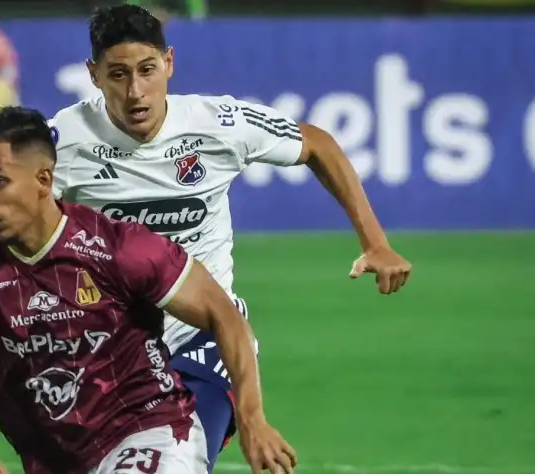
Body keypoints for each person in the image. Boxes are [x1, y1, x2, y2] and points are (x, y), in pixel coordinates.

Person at [45, 4, 413, 471]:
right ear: (94, 74)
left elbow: (317, 143)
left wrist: (374, 241)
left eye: (147, 70)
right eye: (118, 74)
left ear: (169, 63)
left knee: (178, 462)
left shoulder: (217, 124)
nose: (135, 91)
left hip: (206, 335)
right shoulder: (62, 143)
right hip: (109, 347)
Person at [0, 106, 297, 474]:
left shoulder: (117, 248)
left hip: (149, 429)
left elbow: (224, 315)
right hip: (55, 459)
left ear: (44, 180)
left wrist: (252, 419)